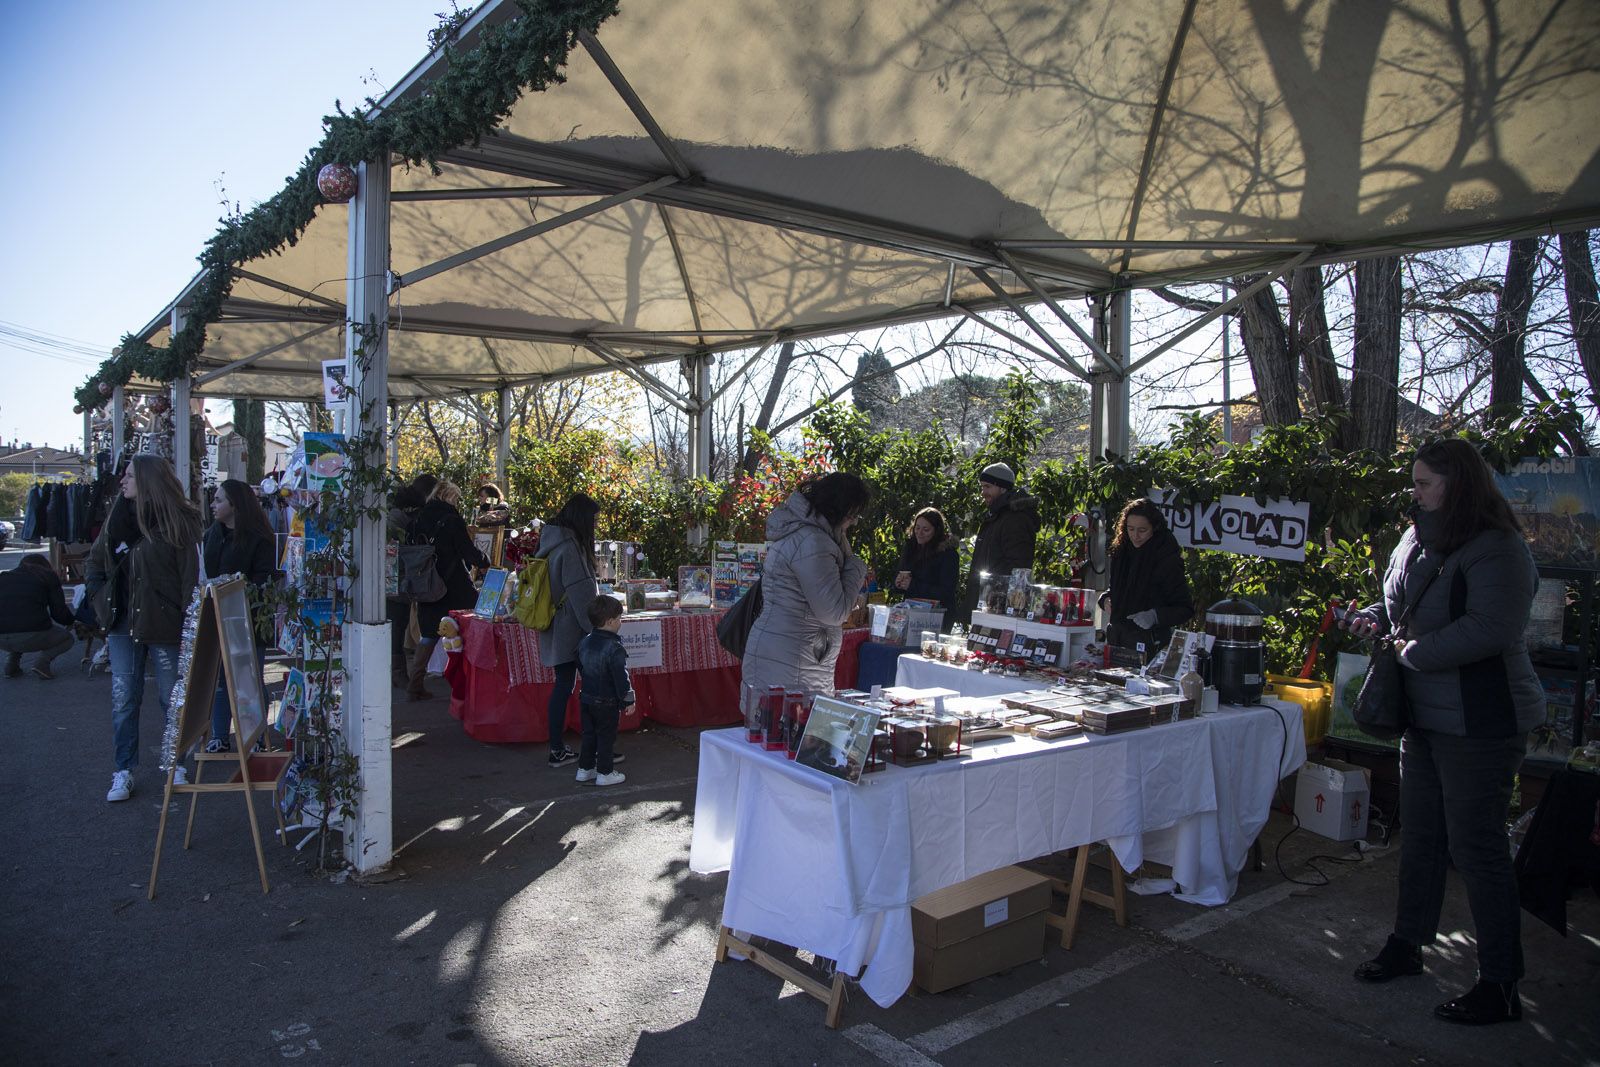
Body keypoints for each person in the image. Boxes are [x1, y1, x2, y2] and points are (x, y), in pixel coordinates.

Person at [1341, 438, 1542, 1026]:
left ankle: (1501, 982)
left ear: (1459, 484)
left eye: (1425, 483)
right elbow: (1398, 607)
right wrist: (1372, 622)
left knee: (1477, 848)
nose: (1416, 492)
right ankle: (1407, 945)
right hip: (1422, 714)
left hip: (1481, 721)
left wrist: (1412, 653)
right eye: (1415, 483)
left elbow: (1492, 628)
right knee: (1421, 837)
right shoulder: (1415, 535)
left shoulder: (1498, 547)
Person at [86, 454, 202, 803]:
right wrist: (98, 596)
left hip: (164, 623)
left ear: (149, 480)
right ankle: (123, 770)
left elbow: (190, 580)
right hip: (122, 622)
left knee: (172, 698)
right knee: (124, 698)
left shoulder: (179, 521)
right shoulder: (118, 517)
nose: (122, 482)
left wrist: (189, 625)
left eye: (129, 476)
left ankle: (175, 763)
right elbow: (95, 560)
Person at [742, 472, 871, 696]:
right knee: (789, 726)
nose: (853, 523)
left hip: (789, 651)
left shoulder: (800, 532)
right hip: (793, 658)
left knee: (768, 724)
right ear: (841, 510)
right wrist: (855, 566)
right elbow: (834, 612)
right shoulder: (814, 543)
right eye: (853, 516)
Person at [202, 479, 279, 751]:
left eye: (219, 499)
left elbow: (263, 579)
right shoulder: (212, 534)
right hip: (219, 616)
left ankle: (257, 735)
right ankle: (219, 735)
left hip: (250, 619)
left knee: (250, 678)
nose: (213, 504)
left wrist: (236, 588)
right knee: (221, 678)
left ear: (235, 505)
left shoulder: (260, 538)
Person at [535, 493, 604, 767]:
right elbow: (583, 594)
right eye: (594, 519)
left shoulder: (552, 540)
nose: (596, 524)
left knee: (563, 686)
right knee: (590, 690)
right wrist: (597, 630)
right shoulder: (571, 547)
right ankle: (594, 750)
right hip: (573, 631)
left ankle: (558, 748)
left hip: (557, 626)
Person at [406, 481, 490, 701]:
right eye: (456, 498)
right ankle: (471, 680)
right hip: (453, 585)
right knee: (472, 626)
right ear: (448, 496)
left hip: (426, 583)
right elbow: (466, 550)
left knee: (428, 635)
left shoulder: (417, 519)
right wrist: (483, 561)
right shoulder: (451, 520)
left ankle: (415, 684)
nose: (457, 502)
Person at [1101, 499, 1193, 659]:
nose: (1135, 536)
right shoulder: (1121, 551)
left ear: (1154, 528)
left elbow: (1184, 608)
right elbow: (1115, 588)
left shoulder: (1167, 558)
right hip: (1117, 640)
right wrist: (1106, 599)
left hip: (1150, 645)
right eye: (1130, 529)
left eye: (1142, 530)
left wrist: (1155, 616)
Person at [961, 462, 1040, 621]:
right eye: (982, 487)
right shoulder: (996, 516)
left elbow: (1018, 566)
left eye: (988, 486)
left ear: (1002, 488)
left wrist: (994, 593)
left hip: (999, 607)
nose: (983, 492)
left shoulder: (1015, 519)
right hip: (990, 603)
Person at [574, 595, 634, 786]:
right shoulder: (614, 647)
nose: (620, 622)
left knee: (589, 734)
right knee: (606, 737)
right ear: (610, 622)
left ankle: (585, 769)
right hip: (606, 701)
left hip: (587, 697)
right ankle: (605, 772)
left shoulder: (585, 641)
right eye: (619, 618)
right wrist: (628, 699)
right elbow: (620, 677)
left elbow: (580, 664)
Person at [0, 554, 76, 679]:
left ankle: (11, 664)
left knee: (16, 623)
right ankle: (42, 663)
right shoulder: (48, 577)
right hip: (30, 635)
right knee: (67, 638)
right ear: (45, 566)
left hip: (1, 638)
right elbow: (59, 613)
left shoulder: (3, 577)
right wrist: (71, 621)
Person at [386, 482, 428, 686]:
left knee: (397, 625)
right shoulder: (400, 520)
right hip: (397, 580)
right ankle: (397, 672)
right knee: (397, 625)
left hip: (394, 580)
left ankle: (397, 671)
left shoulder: (393, 516)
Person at [891, 506, 960, 616]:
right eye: (917, 528)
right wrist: (898, 583)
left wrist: (912, 585)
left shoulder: (948, 554)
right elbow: (899, 576)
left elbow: (946, 592)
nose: (920, 533)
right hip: (912, 611)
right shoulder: (910, 548)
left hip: (938, 615)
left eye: (926, 530)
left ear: (936, 531)